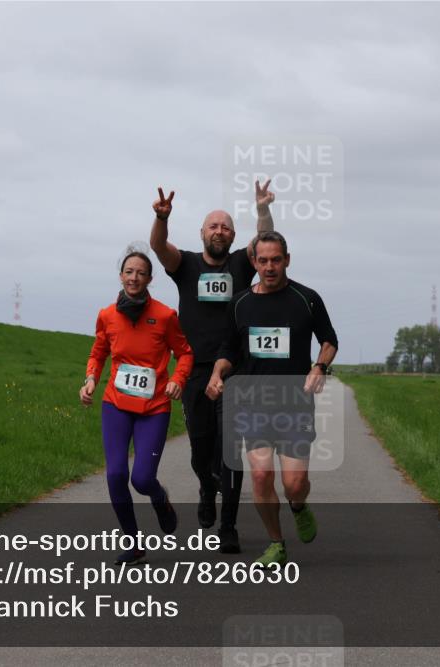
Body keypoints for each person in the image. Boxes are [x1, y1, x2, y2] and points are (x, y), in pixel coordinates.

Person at [148, 181, 275, 554]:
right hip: (194, 369)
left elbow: (265, 238)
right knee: (201, 451)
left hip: (236, 368)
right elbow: (158, 247)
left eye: (225, 227)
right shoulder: (185, 264)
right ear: (202, 234)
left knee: (230, 449)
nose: (219, 231)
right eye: (213, 226)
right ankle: (206, 487)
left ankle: (228, 526)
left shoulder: (240, 263)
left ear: (233, 236)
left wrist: (262, 208)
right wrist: (161, 218)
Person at [206, 230, 338, 565]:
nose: (269, 267)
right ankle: (276, 543)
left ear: (287, 260)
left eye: (276, 260)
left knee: (294, 484)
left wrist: (320, 367)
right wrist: (217, 372)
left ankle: (298, 505)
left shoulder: (306, 299)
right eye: (262, 260)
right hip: (254, 404)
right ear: (254, 262)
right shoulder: (240, 304)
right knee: (261, 476)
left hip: (295, 406)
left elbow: (329, 339)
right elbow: (228, 350)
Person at [80, 249, 194, 565]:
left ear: (149, 279)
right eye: (129, 271)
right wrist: (90, 378)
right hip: (116, 405)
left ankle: (160, 498)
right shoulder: (107, 315)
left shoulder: (165, 315)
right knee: (116, 475)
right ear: (121, 276)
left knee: (142, 479)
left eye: (140, 273)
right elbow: (98, 352)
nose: (134, 278)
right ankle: (133, 542)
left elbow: (185, 354)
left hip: (154, 408)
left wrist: (178, 380)